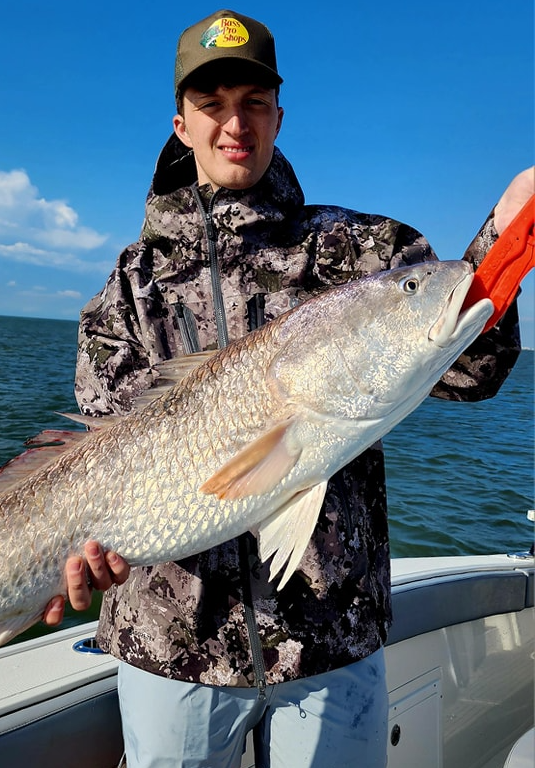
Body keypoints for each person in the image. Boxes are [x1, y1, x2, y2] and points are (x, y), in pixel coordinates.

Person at [42, 10, 529, 768]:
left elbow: (469, 368)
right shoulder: (125, 292)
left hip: (332, 646)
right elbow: (105, 457)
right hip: (174, 653)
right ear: (181, 124)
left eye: (253, 102)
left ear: (279, 114)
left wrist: (503, 239)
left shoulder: (359, 250)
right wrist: (90, 554)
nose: (234, 123)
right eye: (212, 104)